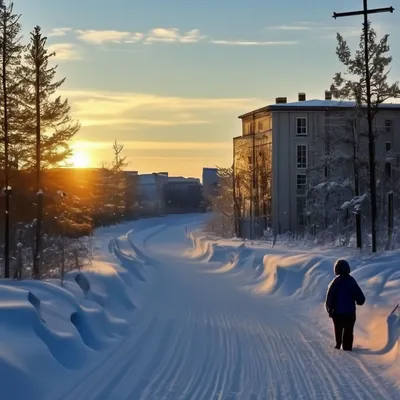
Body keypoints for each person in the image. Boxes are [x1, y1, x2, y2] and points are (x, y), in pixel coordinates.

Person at [325, 259, 366, 351]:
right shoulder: (351, 281)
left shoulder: (335, 282)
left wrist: (329, 309)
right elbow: (360, 298)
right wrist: (359, 301)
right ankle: (347, 348)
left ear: (337, 270)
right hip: (350, 313)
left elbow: (330, 297)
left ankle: (338, 344)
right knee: (348, 330)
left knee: (338, 329)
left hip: (337, 313)